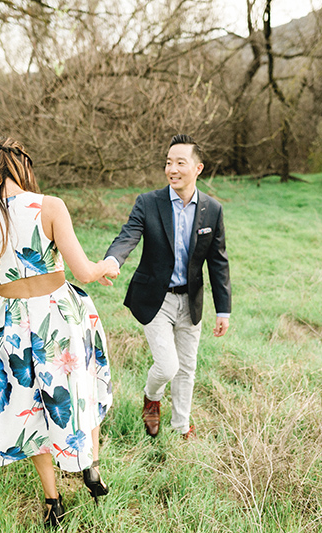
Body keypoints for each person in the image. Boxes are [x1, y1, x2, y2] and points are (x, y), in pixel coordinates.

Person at [0, 137, 120, 528]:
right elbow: (85, 272)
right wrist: (107, 264)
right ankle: (89, 467)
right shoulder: (49, 206)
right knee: (81, 385)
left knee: (31, 404)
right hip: (59, 316)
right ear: (20, 166)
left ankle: (52, 500)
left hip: (9, 322)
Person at [104, 134, 231, 439]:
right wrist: (113, 260)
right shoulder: (149, 203)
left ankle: (181, 427)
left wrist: (223, 310)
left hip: (191, 301)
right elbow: (128, 235)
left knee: (187, 368)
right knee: (168, 366)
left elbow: (218, 262)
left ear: (197, 168)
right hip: (155, 299)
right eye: (168, 162)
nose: (172, 169)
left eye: (179, 163)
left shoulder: (212, 210)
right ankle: (151, 397)